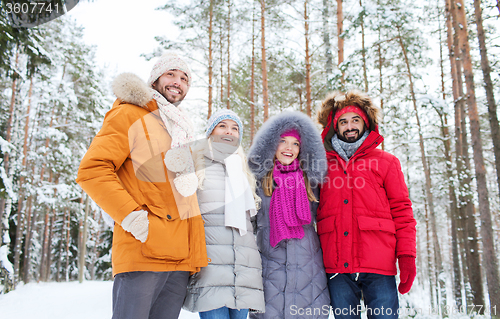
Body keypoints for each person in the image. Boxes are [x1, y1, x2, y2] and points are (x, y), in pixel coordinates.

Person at [76, 52, 208, 319]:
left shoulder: (180, 128)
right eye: (170, 74)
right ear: (155, 79)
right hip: (144, 250)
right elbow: (93, 170)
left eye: (184, 78)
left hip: (179, 259)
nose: (177, 82)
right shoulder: (129, 114)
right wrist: (131, 217)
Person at [315, 90, 417, 319]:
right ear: (334, 126)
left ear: (366, 123)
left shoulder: (387, 163)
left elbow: (402, 211)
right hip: (337, 266)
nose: (349, 126)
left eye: (355, 120)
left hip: (378, 264)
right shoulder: (321, 164)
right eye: (343, 121)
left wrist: (407, 255)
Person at [247, 111, 330, 319]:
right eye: (283, 141)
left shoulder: (311, 182)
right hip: (269, 270)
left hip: (308, 273)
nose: (289, 148)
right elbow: (248, 227)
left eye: (295, 143)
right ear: (271, 144)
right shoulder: (258, 182)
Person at [183, 109, 265, 319]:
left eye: (234, 128)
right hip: (211, 270)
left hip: (244, 270)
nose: (229, 131)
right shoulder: (196, 162)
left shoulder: (244, 170)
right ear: (211, 132)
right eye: (222, 126)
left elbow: (253, 221)